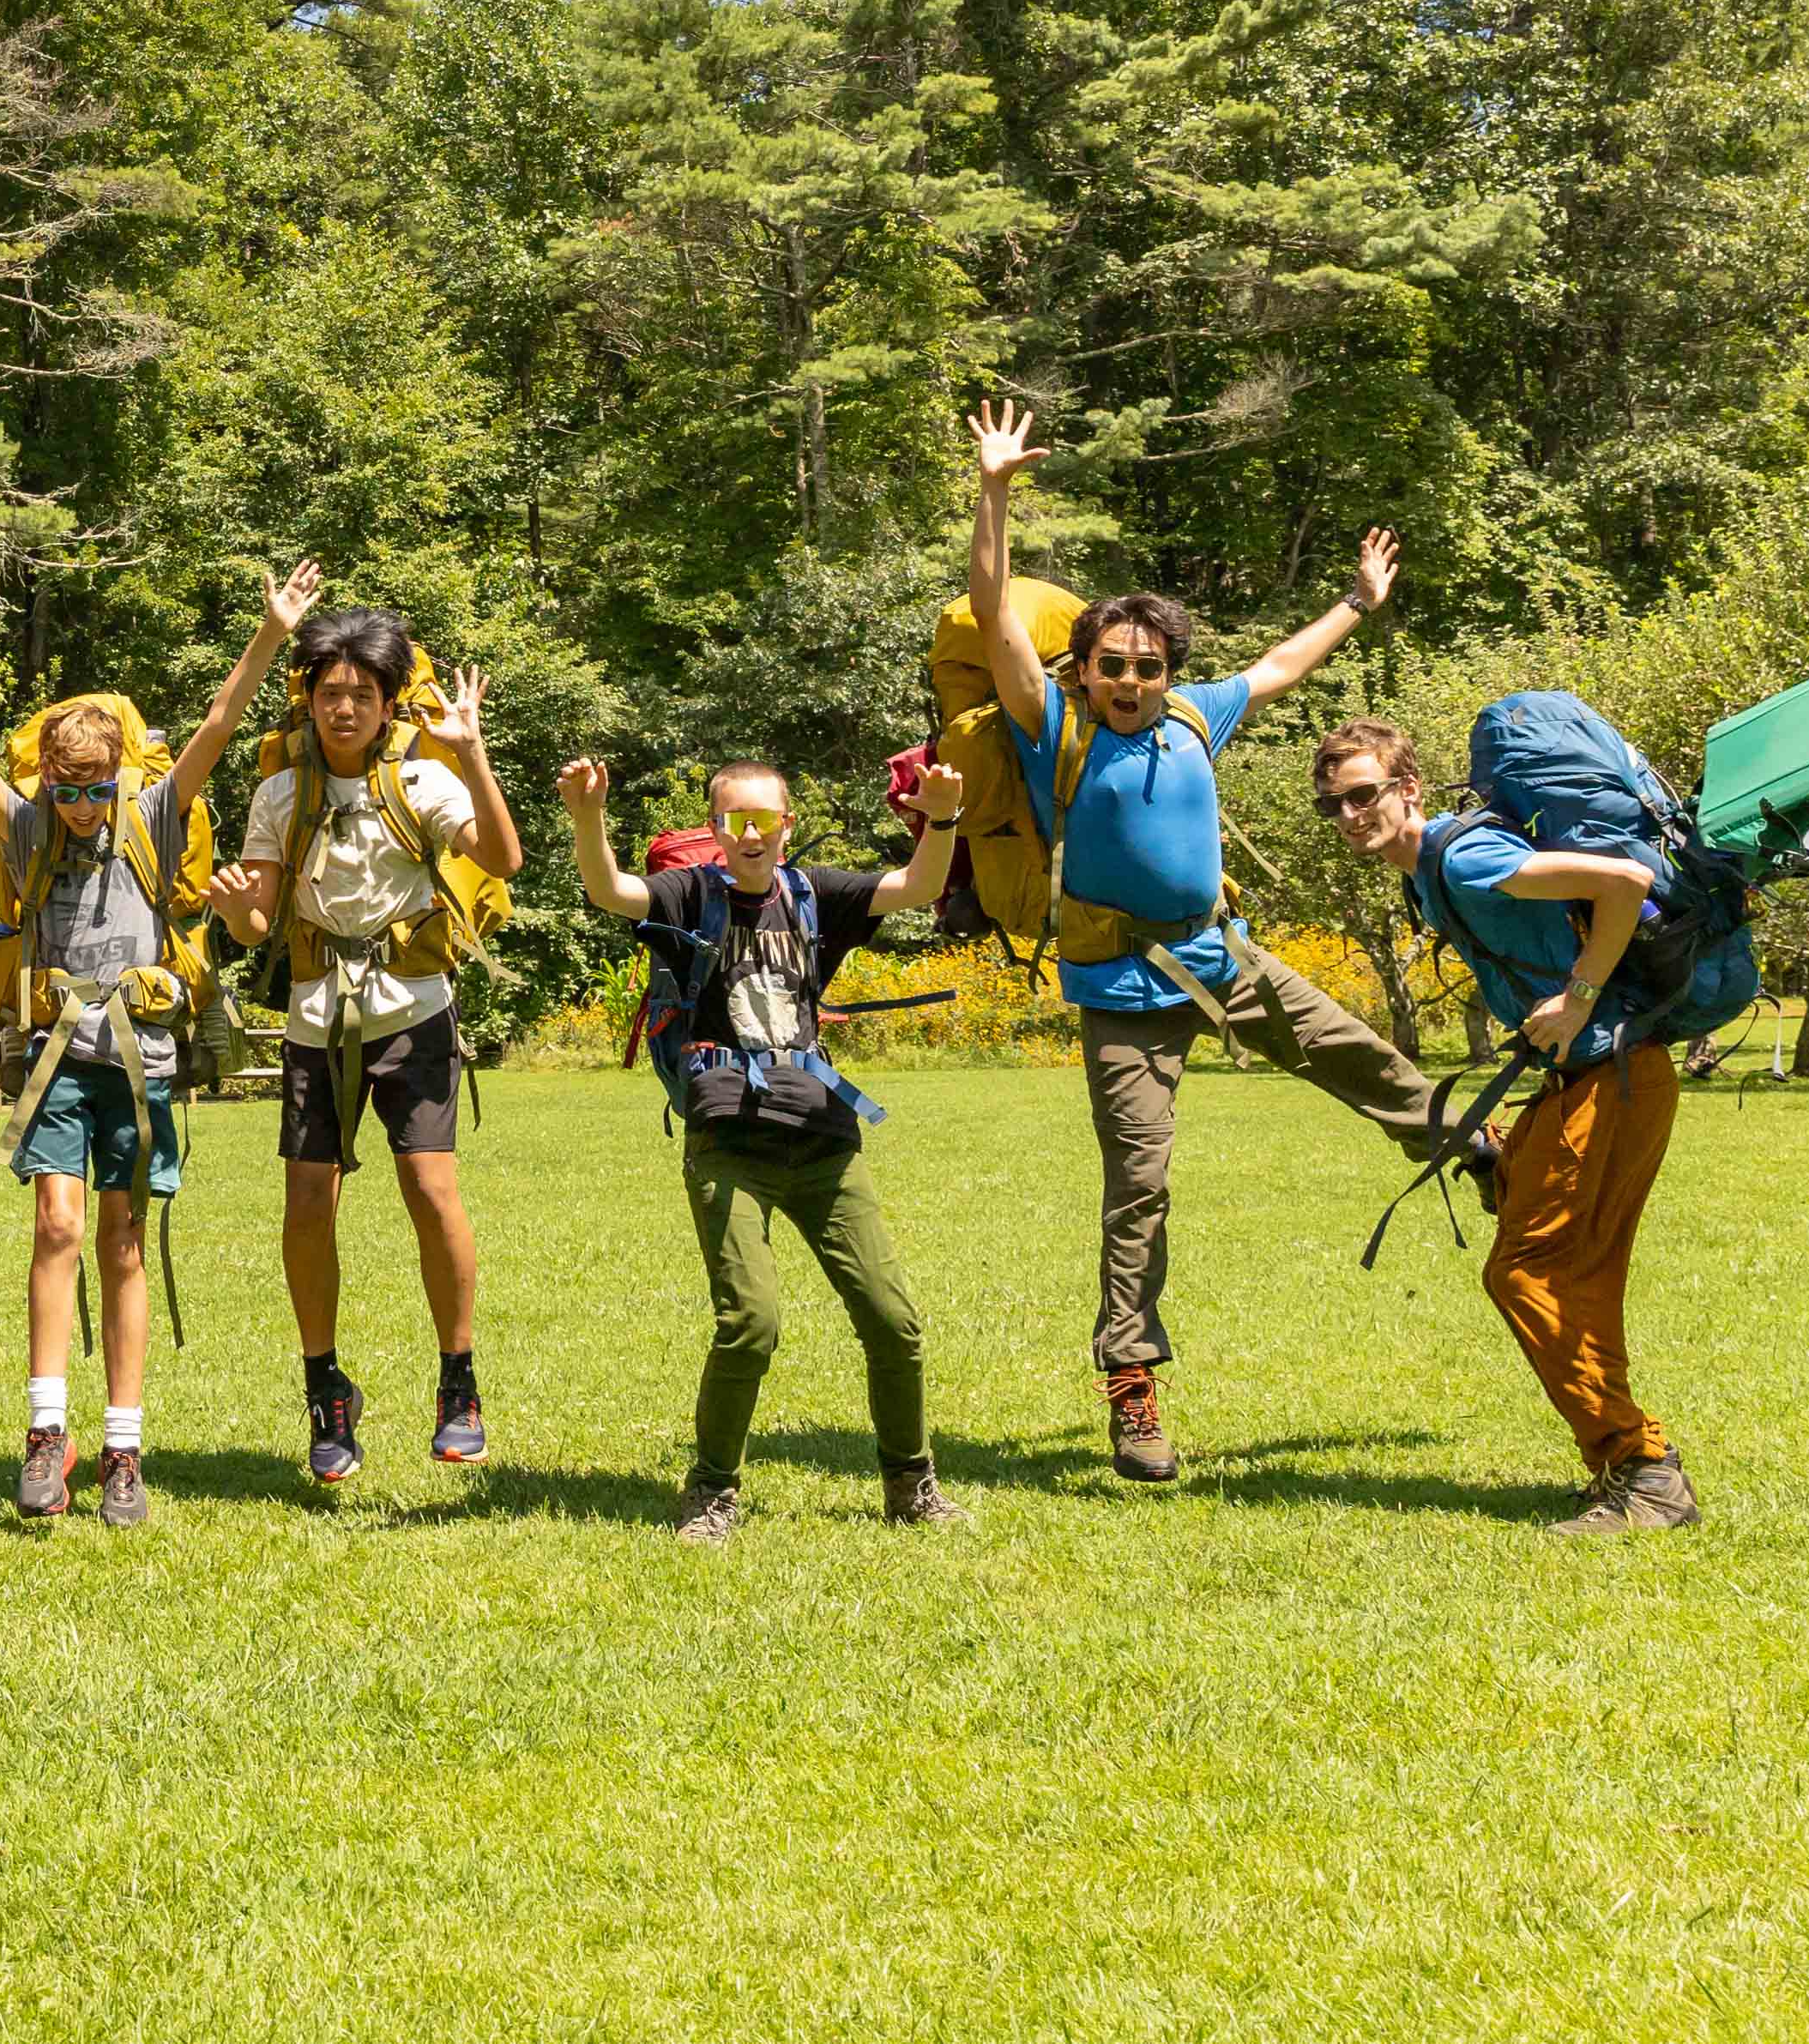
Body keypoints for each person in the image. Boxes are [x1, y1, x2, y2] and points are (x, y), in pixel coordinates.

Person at [966, 397, 1446, 1486]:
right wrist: (995, 491)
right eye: (1111, 663)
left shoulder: (1195, 716)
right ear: (1084, 668)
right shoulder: (1055, 727)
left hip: (1222, 957)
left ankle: (1475, 1152)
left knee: (1360, 1054)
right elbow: (994, 610)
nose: (1130, 681)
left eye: (1147, 665)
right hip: (1119, 989)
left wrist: (1357, 602)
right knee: (1139, 1186)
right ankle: (1132, 1385)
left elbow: (1280, 664)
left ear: (1170, 671)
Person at [0, 563, 318, 1527]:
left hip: (142, 1065)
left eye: (94, 788)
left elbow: (220, 723)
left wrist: (271, 632)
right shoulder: (27, 827)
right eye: (64, 789)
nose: (78, 805)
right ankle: (44, 1432)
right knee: (56, 1228)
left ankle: (123, 1448)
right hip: (58, 1059)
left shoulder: (154, 816)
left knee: (123, 1241)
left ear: (119, 778)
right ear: (46, 782)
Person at [560, 751, 973, 1542]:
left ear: (787, 823)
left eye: (765, 819)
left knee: (892, 1321)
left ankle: (910, 1485)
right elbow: (610, 891)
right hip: (728, 1142)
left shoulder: (817, 894)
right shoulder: (690, 896)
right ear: (715, 828)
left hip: (822, 1141)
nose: (751, 835)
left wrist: (944, 817)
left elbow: (918, 886)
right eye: (735, 820)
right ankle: (711, 1492)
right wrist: (588, 817)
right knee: (750, 1322)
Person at [1315, 718, 1702, 1533]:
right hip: (1592, 1080)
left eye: (1363, 794)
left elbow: (1625, 880)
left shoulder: (1463, 858)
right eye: (1333, 805)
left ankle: (1643, 1469)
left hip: (1615, 1076)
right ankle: (1627, 1471)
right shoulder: (1425, 874)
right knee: (1574, 1273)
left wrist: (1578, 998)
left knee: (1527, 1275)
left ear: (1407, 788)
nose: (1349, 815)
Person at [208, 607, 525, 1483]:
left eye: (360, 694)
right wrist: (234, 913)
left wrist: (473, 753)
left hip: (414, 1011)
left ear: (388, 704)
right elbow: (259, 921)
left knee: (430, 1187)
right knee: (308, 1202)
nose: (342, 708)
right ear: (307, 699)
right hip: (315, 1019)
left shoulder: (424, 781)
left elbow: (502, 858)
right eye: (328, 693)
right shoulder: (281, 794)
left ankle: (458, 1383)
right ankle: (325, 1390)